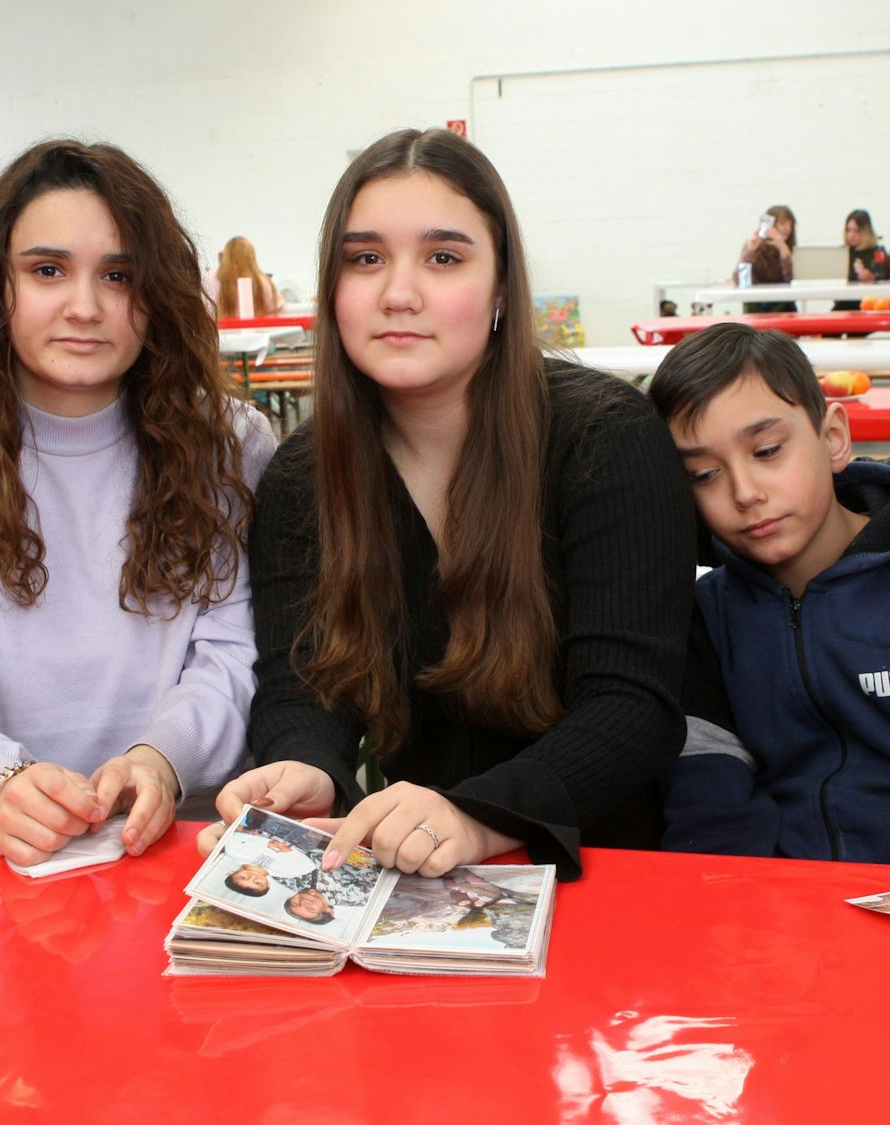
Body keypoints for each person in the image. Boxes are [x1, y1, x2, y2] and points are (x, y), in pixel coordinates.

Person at [198, 127, 695, 881]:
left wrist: (479, 815)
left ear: (500, 288)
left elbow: (632, 707)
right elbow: (302, 682)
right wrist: (307, 766)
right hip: (413, 877)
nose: (399, 292)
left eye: (443, 257)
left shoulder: (604, 437)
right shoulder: (304, 472)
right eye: (365, 259)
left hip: (605, 870)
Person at [0, 140, 276, 866]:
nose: (85, 306)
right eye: (47, 271)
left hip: (191, 847)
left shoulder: (234, 444)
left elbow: (234, 658)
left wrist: (161, 758)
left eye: (118, 275)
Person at [647, 323, 890, 869]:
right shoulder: (707, 616)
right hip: (774, 919)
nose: (744, 493)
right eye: (704, 474)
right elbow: (709, 810)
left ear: (833, 437)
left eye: (767, 450)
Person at [830, 209, 890, 319]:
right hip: (844, 302)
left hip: (869, 306)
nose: (851, 235)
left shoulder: (877, 252)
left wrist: (872, 278)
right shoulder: (842, 252)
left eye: (856, 231)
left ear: (866, 231)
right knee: (831, 324)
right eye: (848, 230)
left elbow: (886, 278)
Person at [737, 205, 797, 314]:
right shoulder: (754, 245)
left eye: (790, 225)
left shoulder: (789, 249)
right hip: (757, 303)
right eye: (783, 224)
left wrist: (783, 248)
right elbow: (738, 280)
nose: (788, 228)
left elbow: (792, 280)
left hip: (783, 303)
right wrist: (750, 252)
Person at [213, 236, 284, 319]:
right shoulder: (263, 282)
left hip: (225, 331)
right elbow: (279, 309)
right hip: (261, 329)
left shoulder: (217, 281)